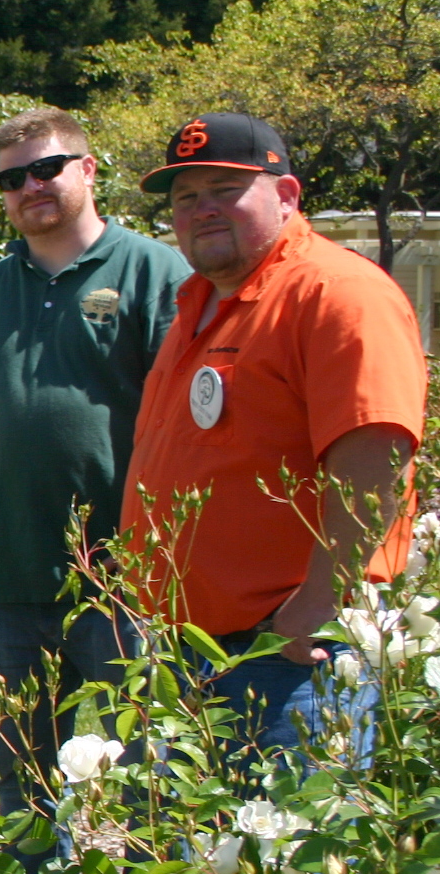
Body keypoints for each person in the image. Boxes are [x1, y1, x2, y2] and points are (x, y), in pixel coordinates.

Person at [0, 108, 189, 874]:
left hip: (129, 579)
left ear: (88, 167)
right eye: (11, 179)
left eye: (45, 169)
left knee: (153, 769)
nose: (29, 189)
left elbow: (192, 417)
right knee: (26, 769)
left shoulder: (157, 274)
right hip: (9, 574)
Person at [122, 113, 426, 755]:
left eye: (225, 190)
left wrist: (312, 609)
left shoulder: (336, 293)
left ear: (285, 195)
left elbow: (375, 455)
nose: (202, 209)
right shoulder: (203, 300)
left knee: (287, 850)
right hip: (189, 651)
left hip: (287, 659)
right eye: (185, 197)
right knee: (191, 853)